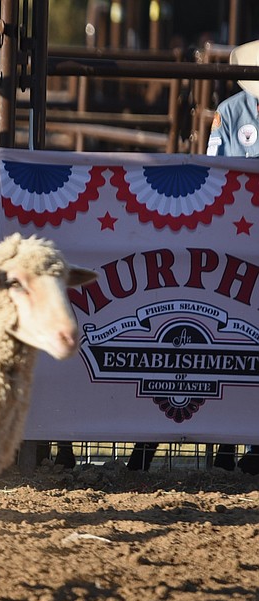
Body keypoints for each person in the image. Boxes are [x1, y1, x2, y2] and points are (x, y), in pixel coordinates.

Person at [195, 37, 259, 476]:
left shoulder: (232, 112)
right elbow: (213, 173)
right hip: (235, 242)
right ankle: (227, 445)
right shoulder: (233, 112)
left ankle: (237, 446)